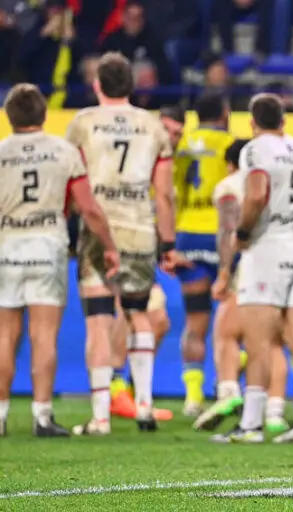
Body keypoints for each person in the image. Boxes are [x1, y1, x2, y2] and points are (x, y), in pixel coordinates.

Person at [66, 52, 179, 435]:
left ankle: (100, 418)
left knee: (99, 321)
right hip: (139, 228)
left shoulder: (82, 123)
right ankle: (144, 405)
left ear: (97, 84)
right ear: (131, 85)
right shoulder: (152, 125)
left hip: (99, 229)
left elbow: (73, 185)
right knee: (138, 312)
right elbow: (164, 194)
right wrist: (168, 243)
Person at [217, 93, 293, 444]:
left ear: (252, 122)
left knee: (259, 340)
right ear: (283, 121)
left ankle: (251, 425)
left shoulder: (254, 150)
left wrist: (243, 233)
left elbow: (256, 194)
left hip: (266, 249)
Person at [0, 84, 119, 437]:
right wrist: (109, 245)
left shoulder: (1, 152)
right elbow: (89, 208)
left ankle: (1, 414)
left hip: (7, 245)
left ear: (9, 116)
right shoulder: (63, 152)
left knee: (4, 335)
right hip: (47, 246)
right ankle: (42, 416)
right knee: (44, 334)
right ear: (44, 113)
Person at [110, 105, 186, 421]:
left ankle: (128, 390)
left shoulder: (171, 166)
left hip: (144, 250)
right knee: (129, 312)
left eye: (178, 133)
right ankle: (116, 389)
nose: (172, 137)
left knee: (157, 320)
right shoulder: (137, 159)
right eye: (167, 130)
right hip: (119, 241)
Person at [174, 92, 235, 418]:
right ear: (224, 113)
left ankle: (193, 398)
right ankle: (229, 383)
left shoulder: (181, 145)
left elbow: (169, 193)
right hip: (221, 236)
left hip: (187, 235)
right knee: (232, 319)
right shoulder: (229, 144)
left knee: (195, 321)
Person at [194, 138, 249, 433]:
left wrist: (225, 272)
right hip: (288, 264)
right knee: (273, 341)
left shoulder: (230, 186)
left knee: (225, 330)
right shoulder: (272, 181)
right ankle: (276, 411)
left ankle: (228, 391)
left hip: (249, 267)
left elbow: (229, 230)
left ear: (229, 164)